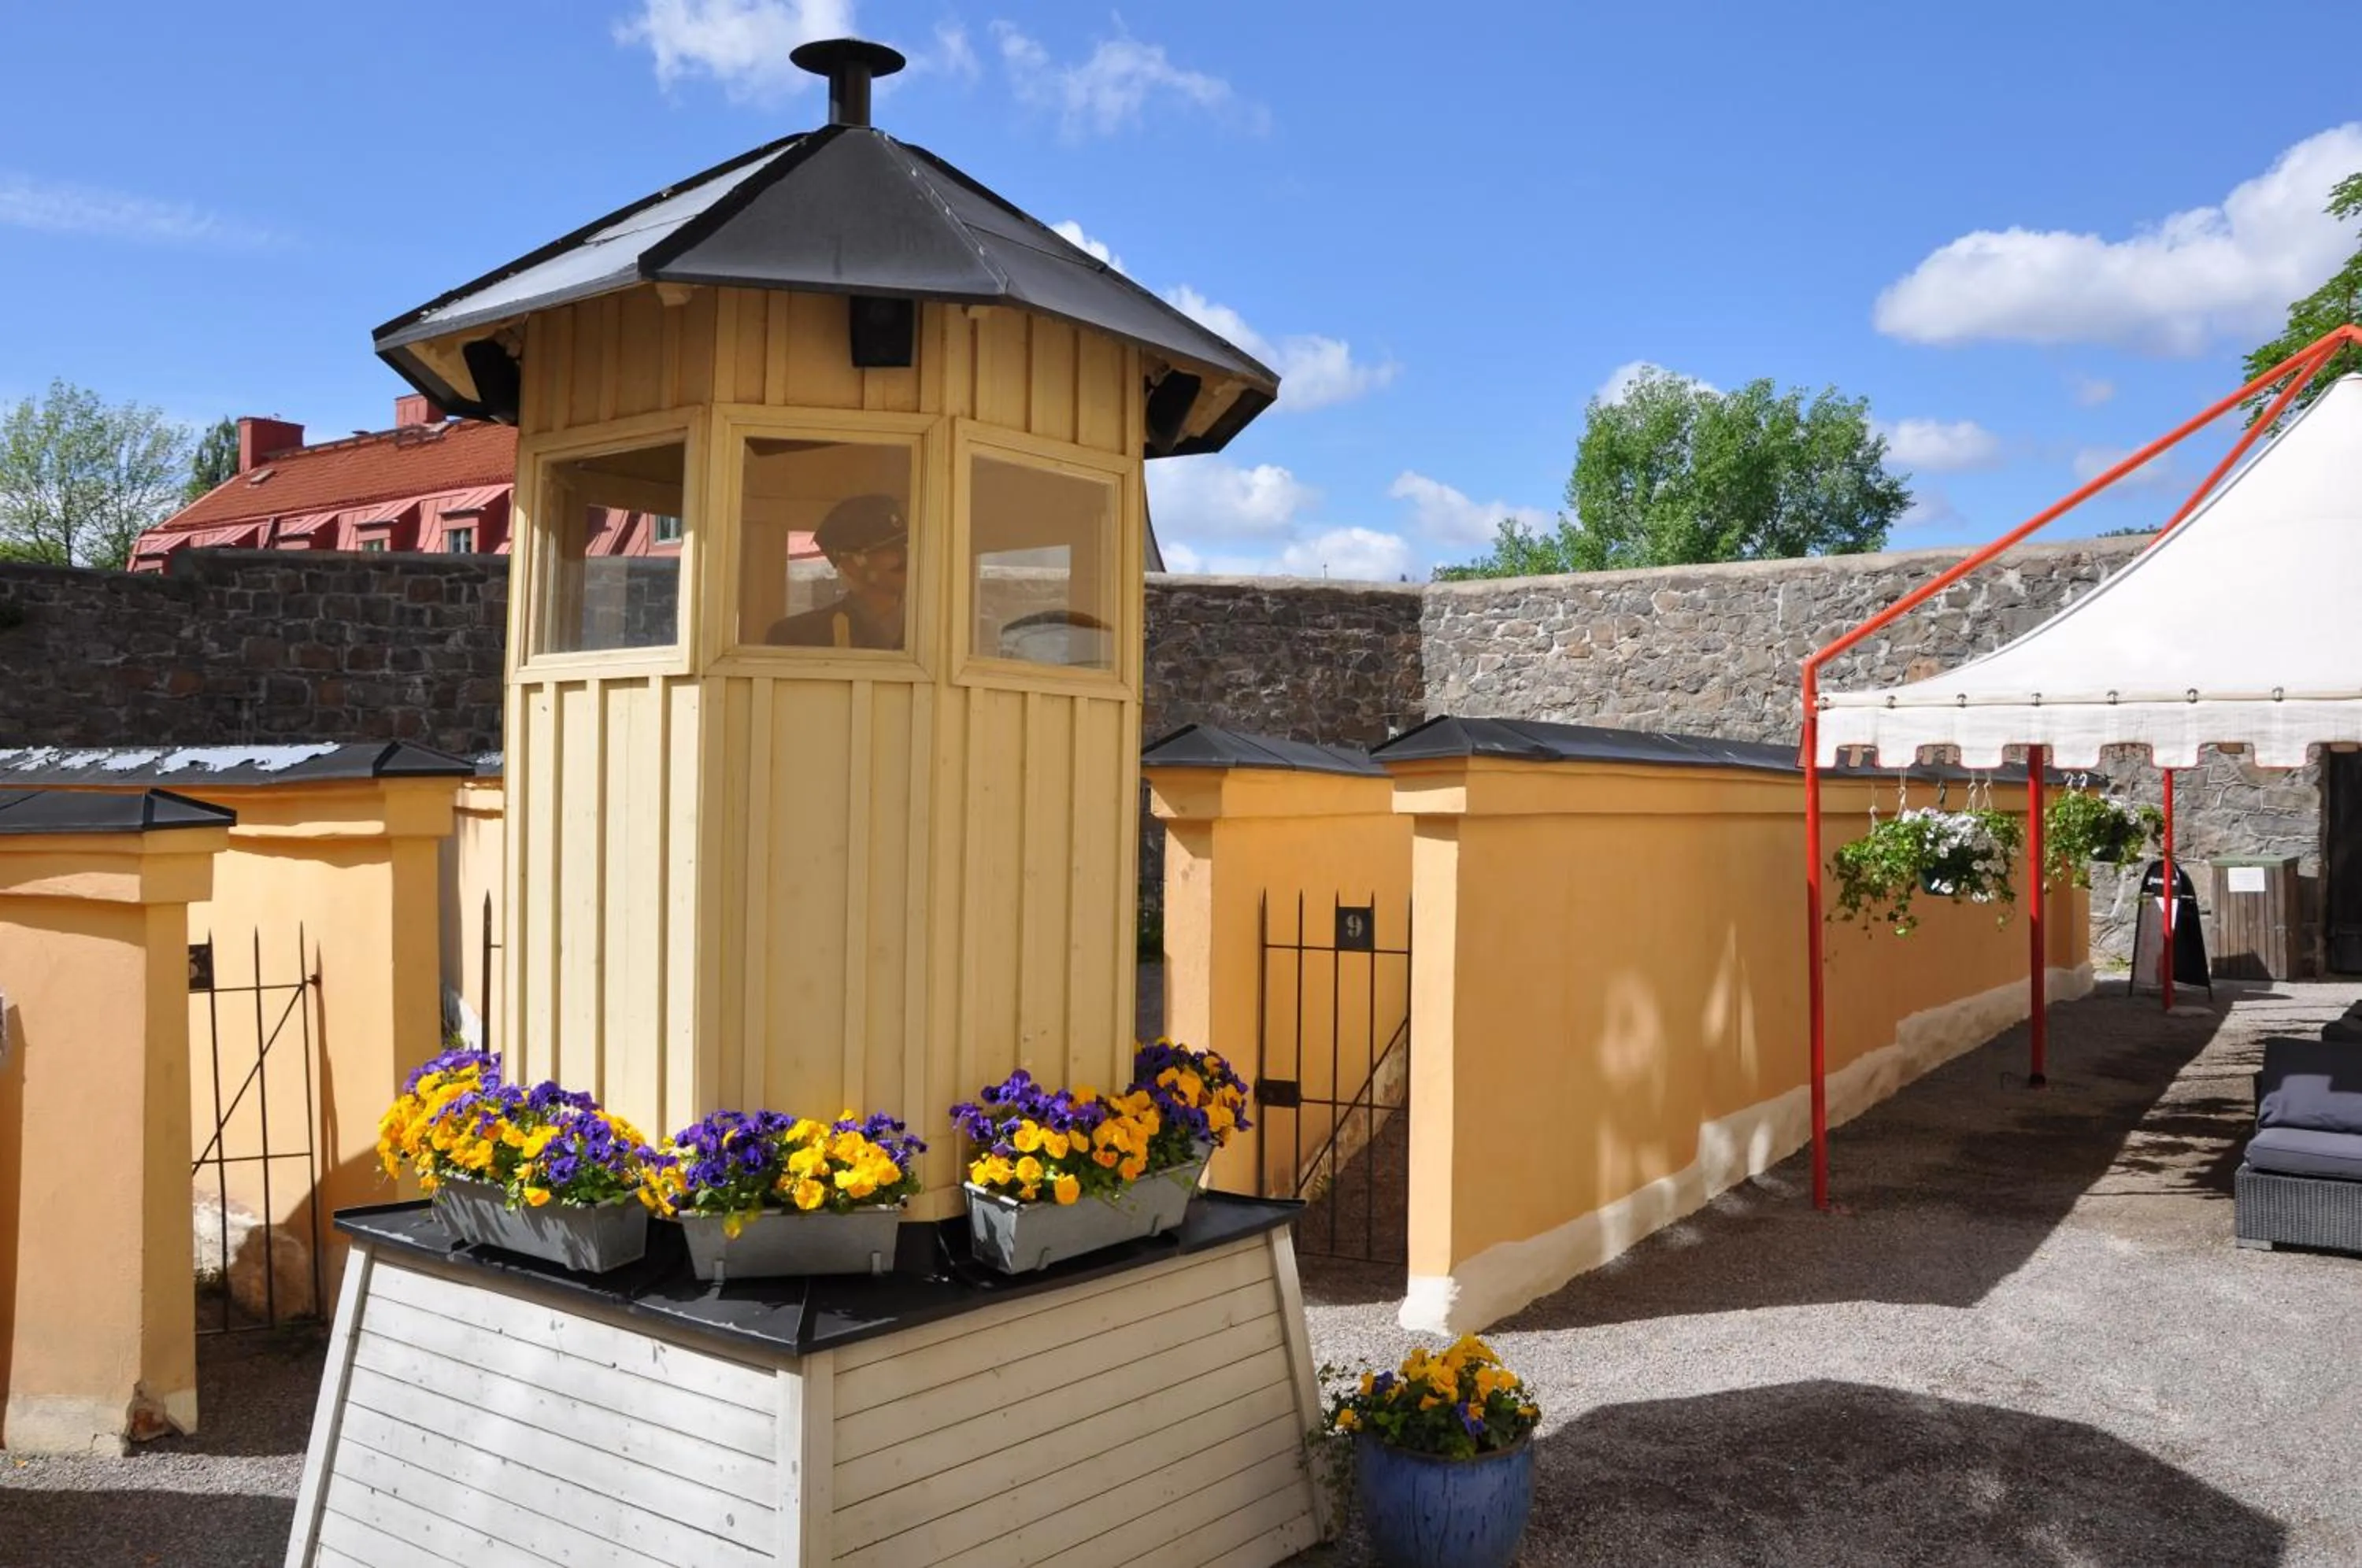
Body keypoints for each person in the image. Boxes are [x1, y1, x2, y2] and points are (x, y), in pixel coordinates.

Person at [765, 494, 908, 649]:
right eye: (891, 550)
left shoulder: (932, 629)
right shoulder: (797, 637)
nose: (906, 556)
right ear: (851, 566)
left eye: (907, 545)